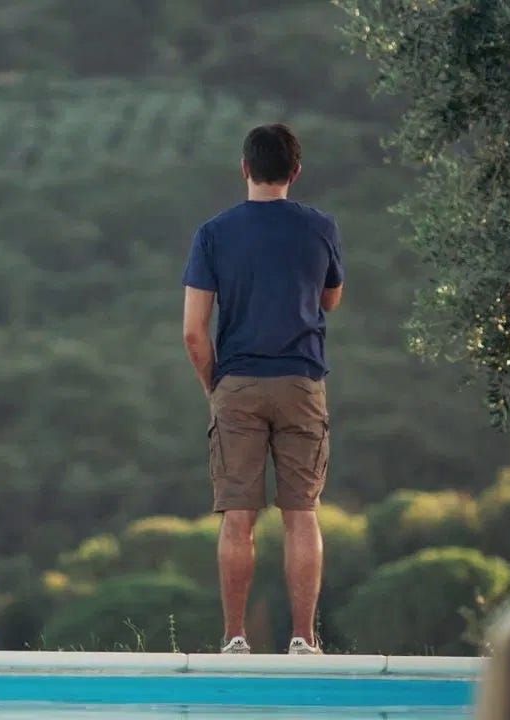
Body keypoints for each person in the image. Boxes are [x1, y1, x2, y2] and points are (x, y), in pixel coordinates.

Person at [181, 124, 344, 655]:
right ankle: (303, 639)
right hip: (301, 381)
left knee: (238, 516)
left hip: (237, 382)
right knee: (302, 514)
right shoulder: (320, 227)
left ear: (244, 168)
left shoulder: (213, 233)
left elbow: (193, 332)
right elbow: (331, 299)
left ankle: (235, 638)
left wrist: (216, 388)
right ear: (295, 171)